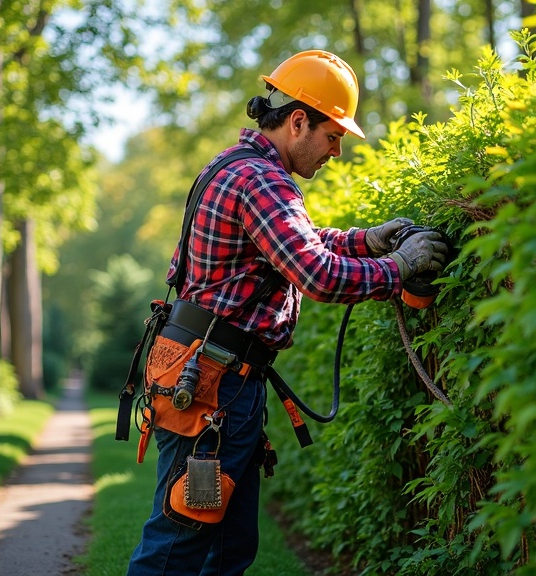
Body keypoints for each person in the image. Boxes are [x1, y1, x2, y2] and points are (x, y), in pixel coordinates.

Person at [126, 49, 448, 575]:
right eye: (333, 135)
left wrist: (366, 241)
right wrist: (400, 265)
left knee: (226, 547)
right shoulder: (262, 181)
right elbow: (317, 274)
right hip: (212, 387)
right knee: (179, 543)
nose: (336, 151)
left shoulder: (235, 167)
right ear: (298, 121)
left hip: (211, 376)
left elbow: (293, 243)